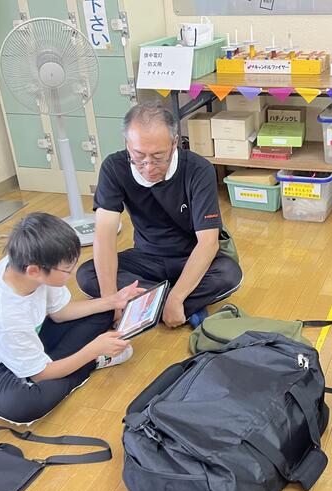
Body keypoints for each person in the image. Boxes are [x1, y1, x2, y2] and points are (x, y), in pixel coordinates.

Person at [0, 212, 143, 425]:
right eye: (67, 269)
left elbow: (60, 313)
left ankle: (60, 364)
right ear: (34, 271)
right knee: (24, 405)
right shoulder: (3, 315)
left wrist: (113, 301)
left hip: (28, 338)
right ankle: (91, 363)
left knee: (103, 311)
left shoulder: (28, 263)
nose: (73, 272)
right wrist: (93, 351)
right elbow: (40, 376)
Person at [76, 101, 243, 329]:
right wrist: (110, 301)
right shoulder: (114, 168)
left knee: (229, 274)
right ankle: (179, 306)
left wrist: (176, 297)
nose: (148, 166)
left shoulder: (198, 170)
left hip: (188, 257)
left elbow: (208, 243)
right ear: (127, 145)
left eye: (158, 156)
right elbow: (104, 236)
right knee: (87, 273)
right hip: (146, 257)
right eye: (139, 155)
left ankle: (154, 304)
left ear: (174, 143)